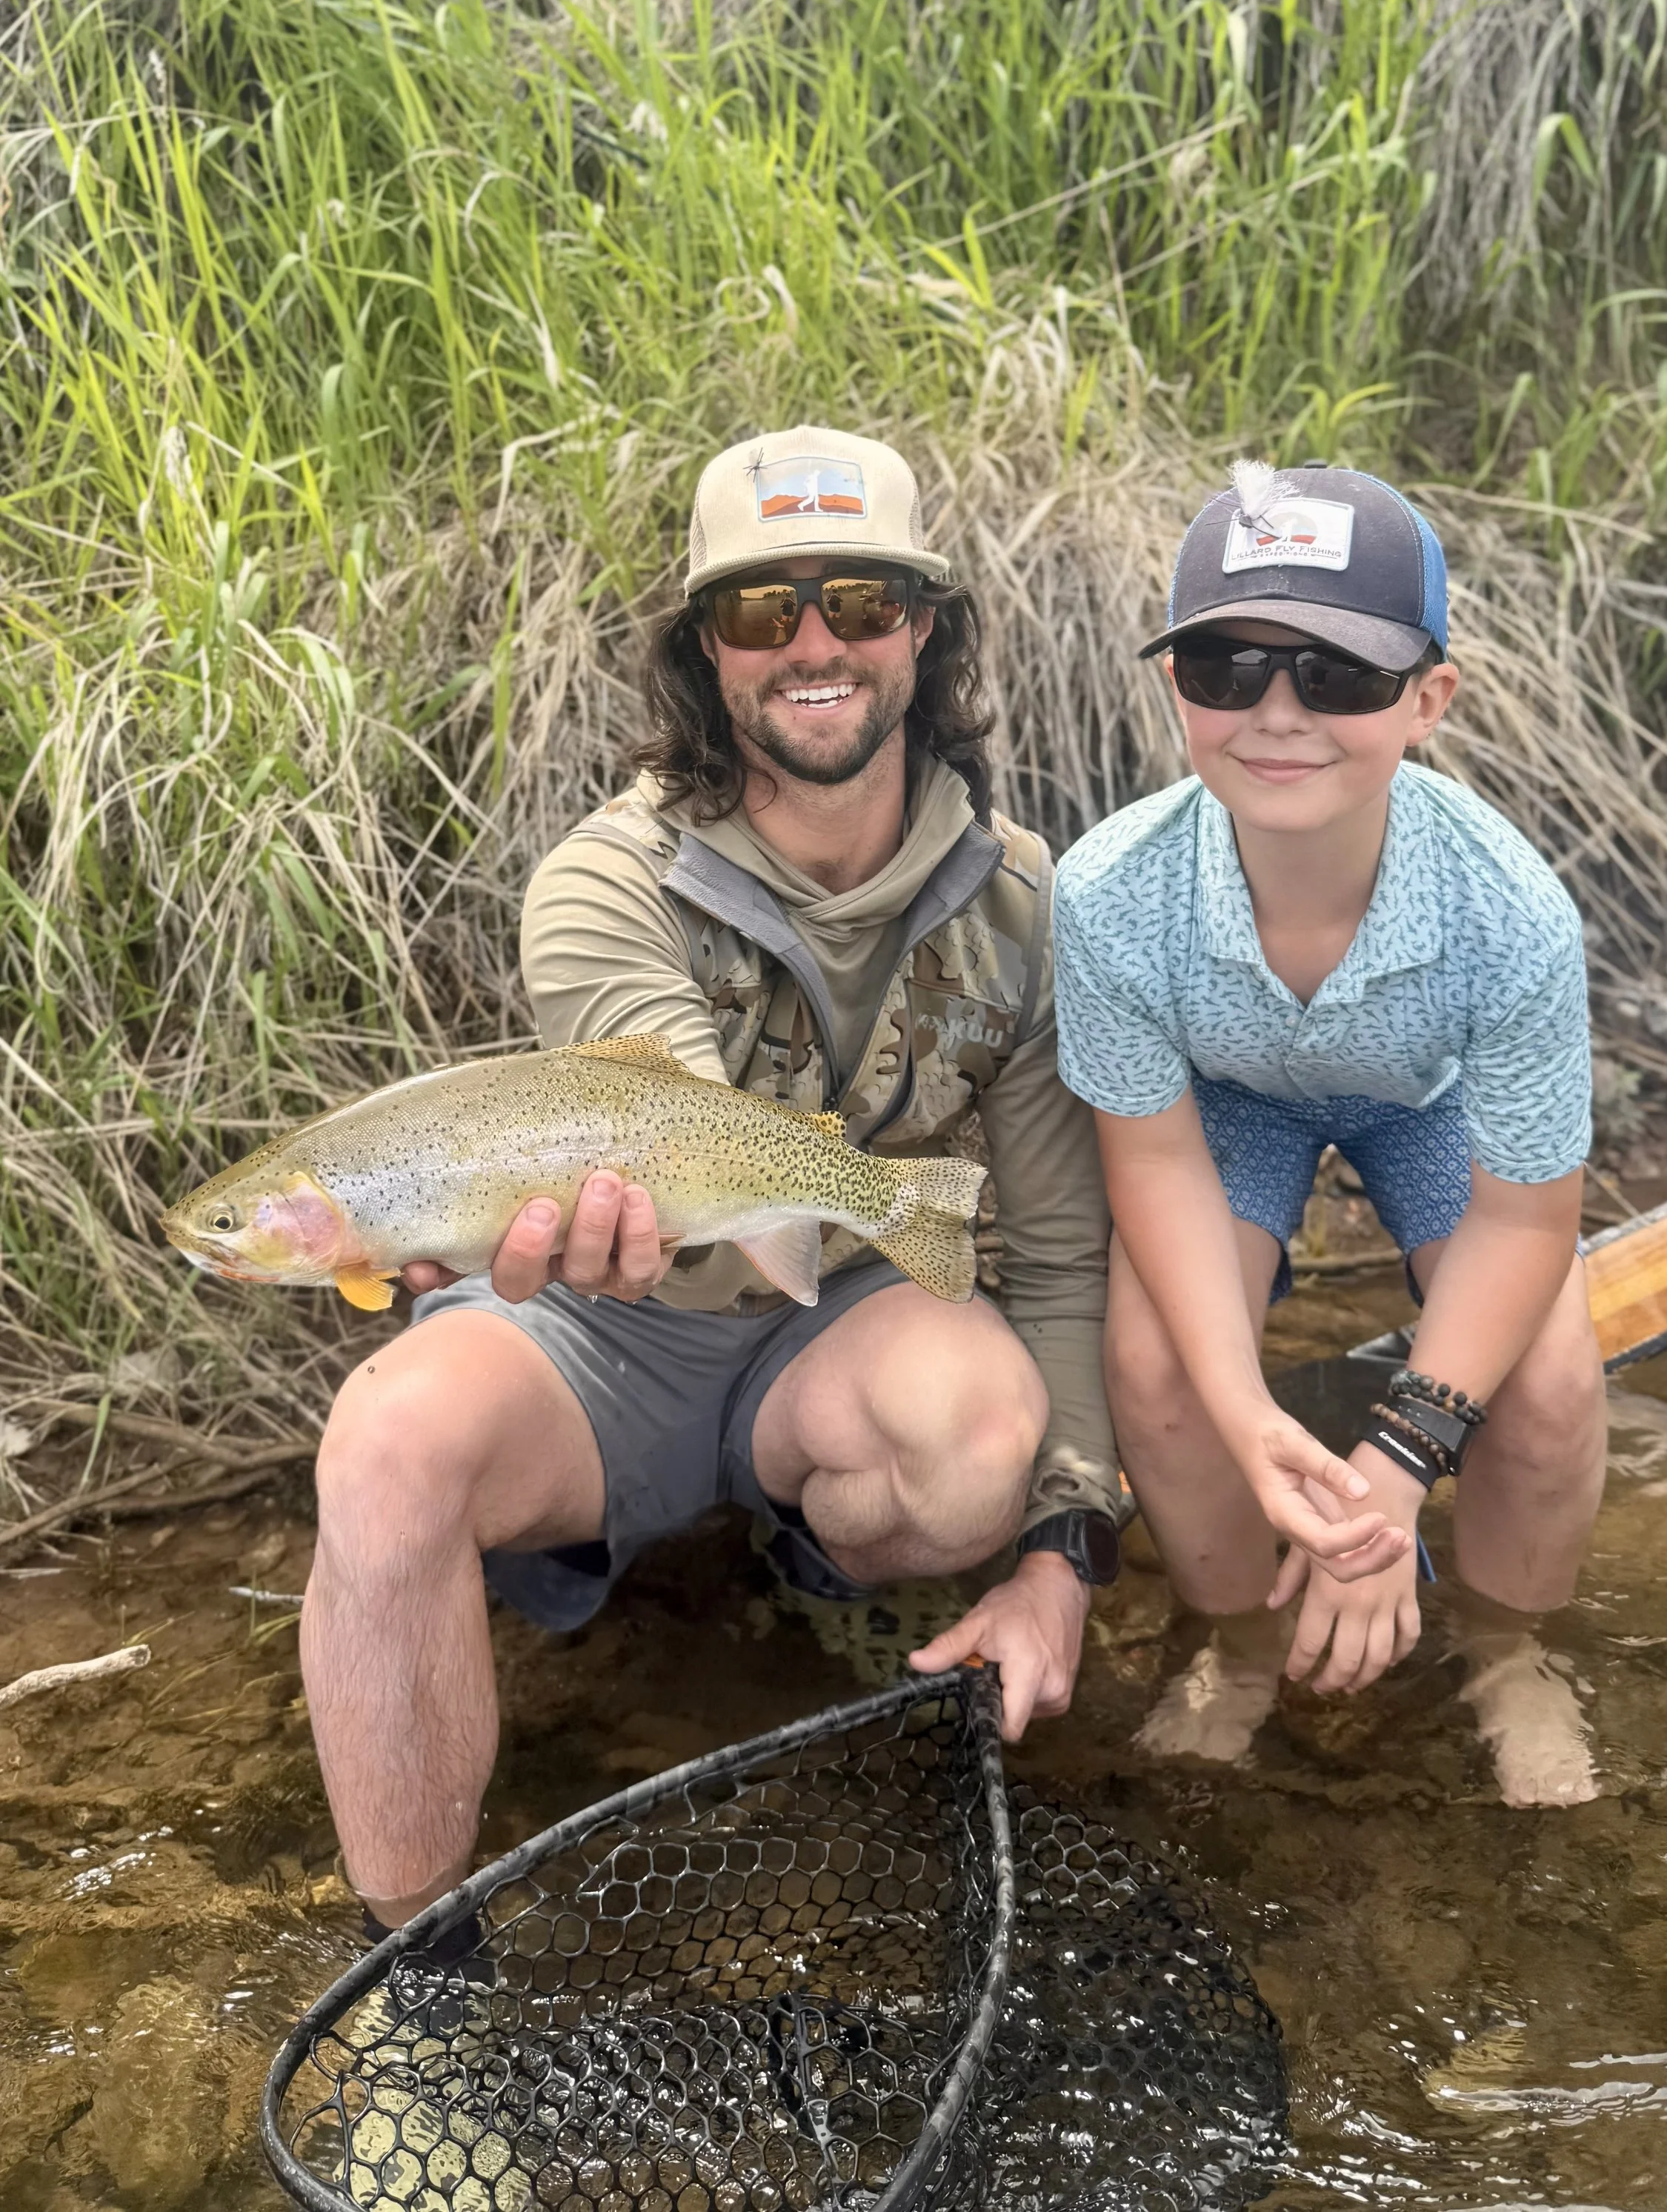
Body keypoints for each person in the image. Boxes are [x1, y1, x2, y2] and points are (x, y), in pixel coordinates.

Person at [302, 424, 1158, 1940]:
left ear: (926, 629)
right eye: (764, 611)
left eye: (860, 601)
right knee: (381, 1448)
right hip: (611, 1330)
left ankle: (800, 1543)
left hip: (839, 1320)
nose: (812, 643)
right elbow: (672, 1144)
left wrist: (1061, 1557)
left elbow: (1059, 1245)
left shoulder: (1024, 902)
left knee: (977, 1437)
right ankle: (413, 1966)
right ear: (708, 648)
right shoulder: (605, 881)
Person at [1052, 462, 1608, 1808]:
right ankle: (1240, 1640)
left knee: (1545, 1394)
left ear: (1430, 701)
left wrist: (1398, 1459)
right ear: (1178, 689)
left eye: (1342, 676)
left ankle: (1507, 1647)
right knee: (1163, 1376)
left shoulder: (1511, 914)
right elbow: (1158, 1158)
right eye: (1229, 668)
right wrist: (1249, 1419)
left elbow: (1530, 1216)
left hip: (1427, 1098)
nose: (1280, 715)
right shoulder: (1109, 895)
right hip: (1227, 1105)